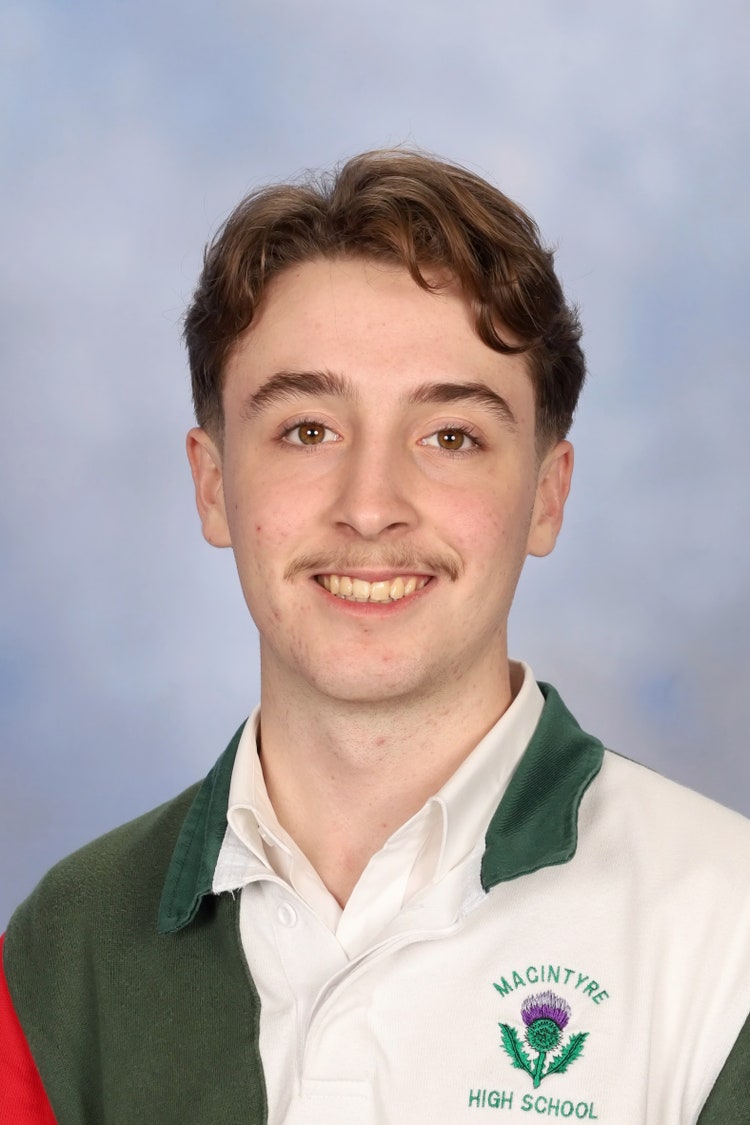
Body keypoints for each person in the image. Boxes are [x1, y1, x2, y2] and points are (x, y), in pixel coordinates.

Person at [1, 150, 749, 1125]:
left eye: (451, 436)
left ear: (547, 497)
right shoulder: (65, 949)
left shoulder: (726, 931)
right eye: (308, 430)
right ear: (213, 483)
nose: (370, 506)